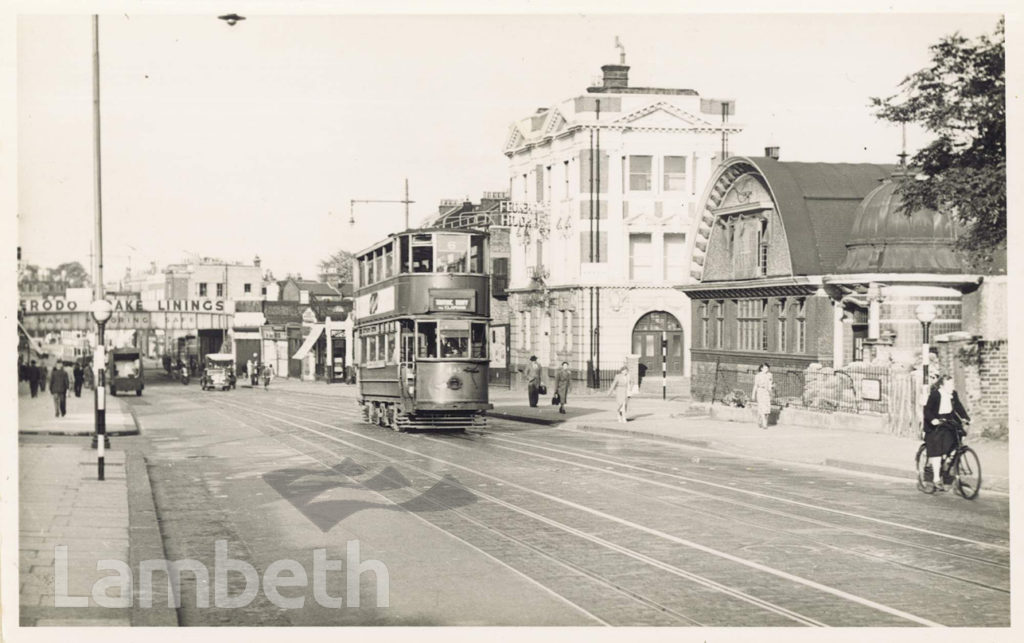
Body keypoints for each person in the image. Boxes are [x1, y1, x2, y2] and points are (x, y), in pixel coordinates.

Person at [923, 374, 970, 491]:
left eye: (952, 384)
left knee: (956, 439)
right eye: (949, 384)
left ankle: (947, 467)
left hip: (949, 420)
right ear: (942, 385)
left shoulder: (953, 394)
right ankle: (935, 479)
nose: (952, 386)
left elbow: (958, 406)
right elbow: (927, 409)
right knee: (936, 450)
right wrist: (933, 420)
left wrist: (965, 418)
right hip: (935, 422)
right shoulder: (935, 394)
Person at [751, 362, 774, 430]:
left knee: (767, 409)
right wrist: (753, 394)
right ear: (761, 368)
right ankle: (764, 423)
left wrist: (771, 392)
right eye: (765, 368)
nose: (766, 369)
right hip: (760, 391)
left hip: (766, 392)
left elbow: (770, 384)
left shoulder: (770, 375)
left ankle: (760, 419)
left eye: (767, 368)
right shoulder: (758, 375)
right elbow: (755, 385)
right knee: (762, 407)